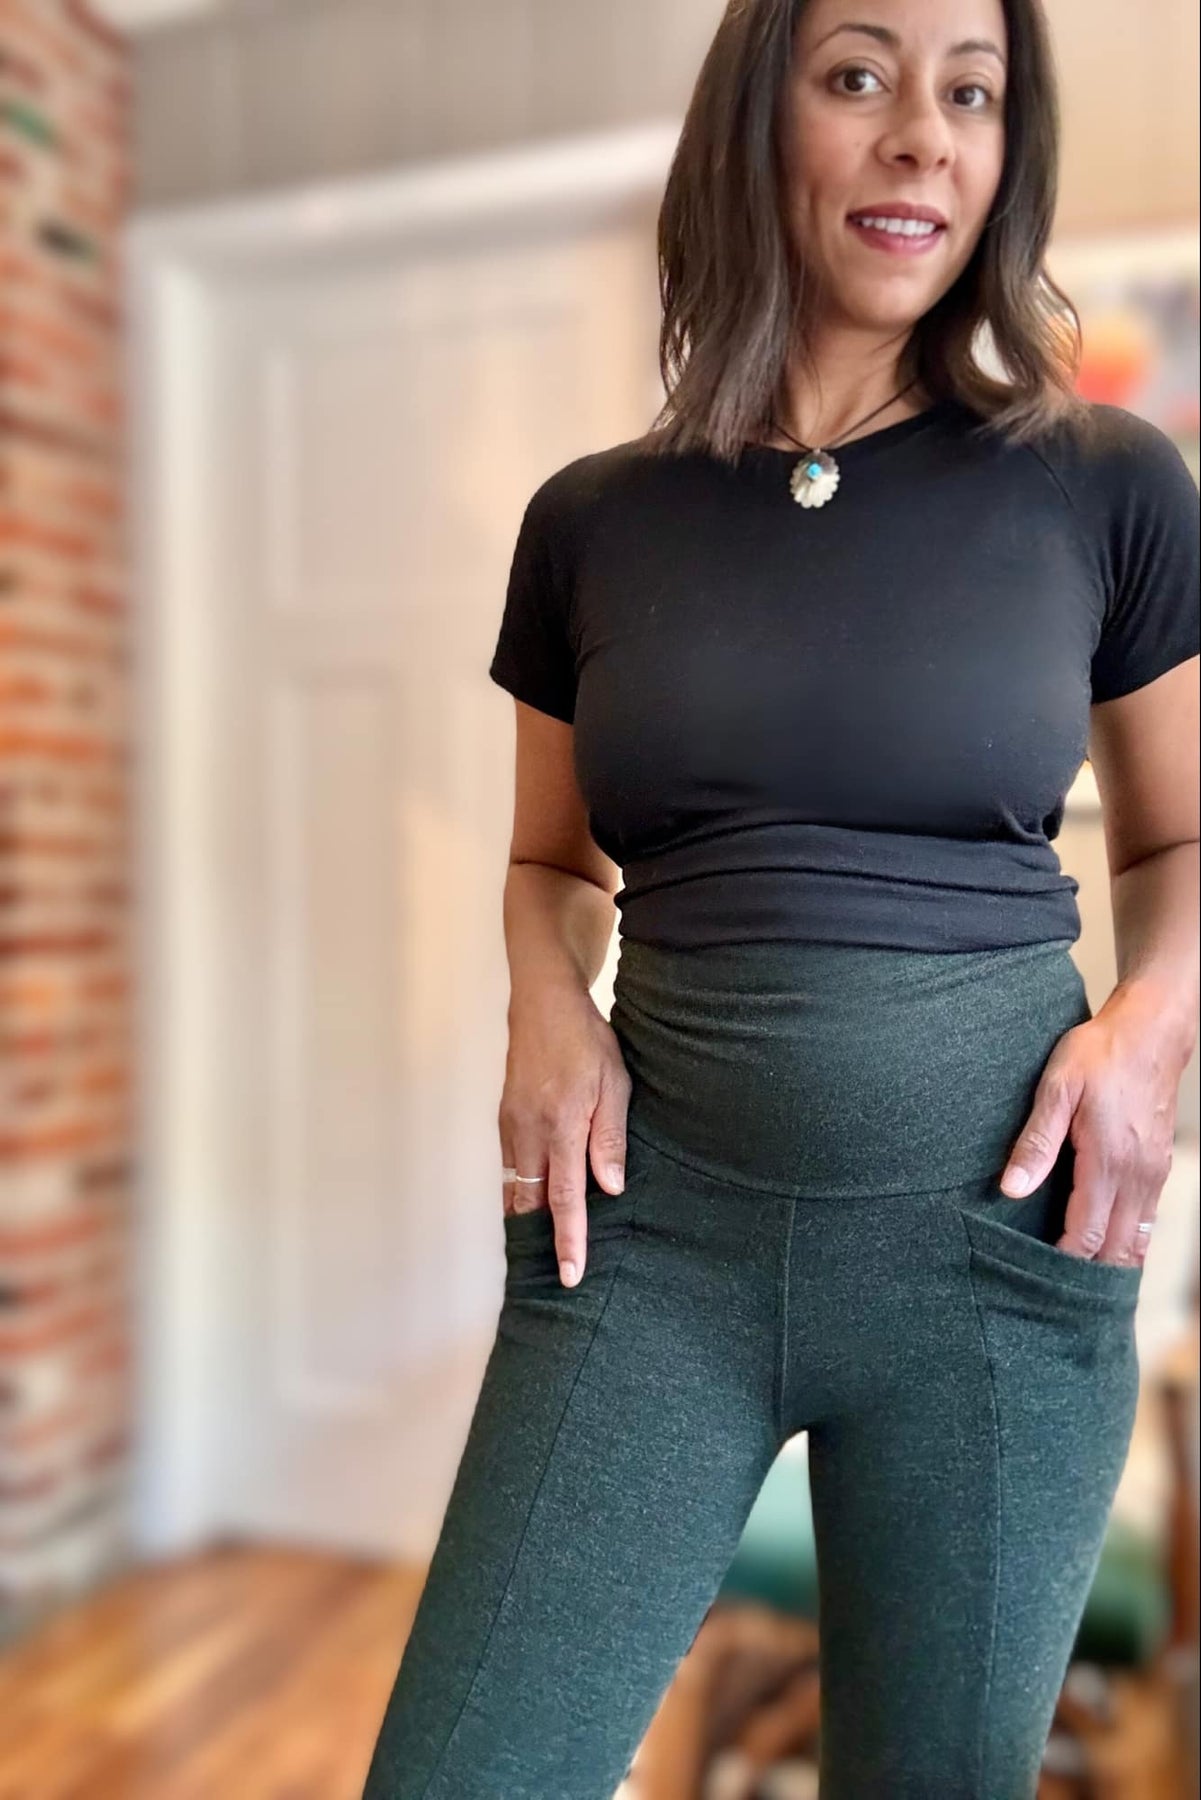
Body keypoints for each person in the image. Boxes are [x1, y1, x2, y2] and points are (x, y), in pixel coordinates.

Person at [361, 1, 1200, 1795]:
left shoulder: (1103, 486)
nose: (923, 136)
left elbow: (1175, 844)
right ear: (760, 119)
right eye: (858, 76)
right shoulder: (593, 522)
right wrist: (544, 999)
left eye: (971, 93)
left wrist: (1149, 1029)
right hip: (649, 1248)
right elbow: (548, 862)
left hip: (994, 1257)